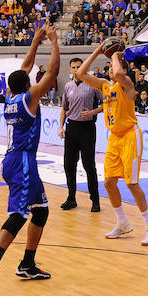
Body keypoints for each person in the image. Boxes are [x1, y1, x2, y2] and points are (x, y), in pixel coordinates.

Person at [0, 25, 59, 296]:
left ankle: (27, 264)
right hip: (22, 162)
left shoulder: (11, 96)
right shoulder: (28, 97)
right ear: (27, 85)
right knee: (19, 214)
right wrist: (54, 41)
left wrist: (36, 39)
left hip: (15, 159)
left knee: (42, 211)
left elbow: (26, 66)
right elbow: (52, 74)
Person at [77, 40, 148, 245]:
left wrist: (115, 53)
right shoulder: (106, 86)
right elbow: (80, 74)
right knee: (109, 182)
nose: (111, 70)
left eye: (113, 67)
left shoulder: (128, 86)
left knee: (132, 183)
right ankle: (122, 223)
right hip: (114, 137)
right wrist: (98, 50)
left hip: (130, 135)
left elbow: (121, 74)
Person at [58, 57, 103, 212]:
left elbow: (106, 103)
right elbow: (64, 108)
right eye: (73, 67)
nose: (76, 69)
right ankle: (71, 198)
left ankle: (95, 200)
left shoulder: (93, 84)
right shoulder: (68, 86)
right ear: (70, 69)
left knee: (88, 165)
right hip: (71, 129)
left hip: (87, 128)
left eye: (79, 66)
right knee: (69, 165)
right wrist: (61, 127)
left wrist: (92, 111)